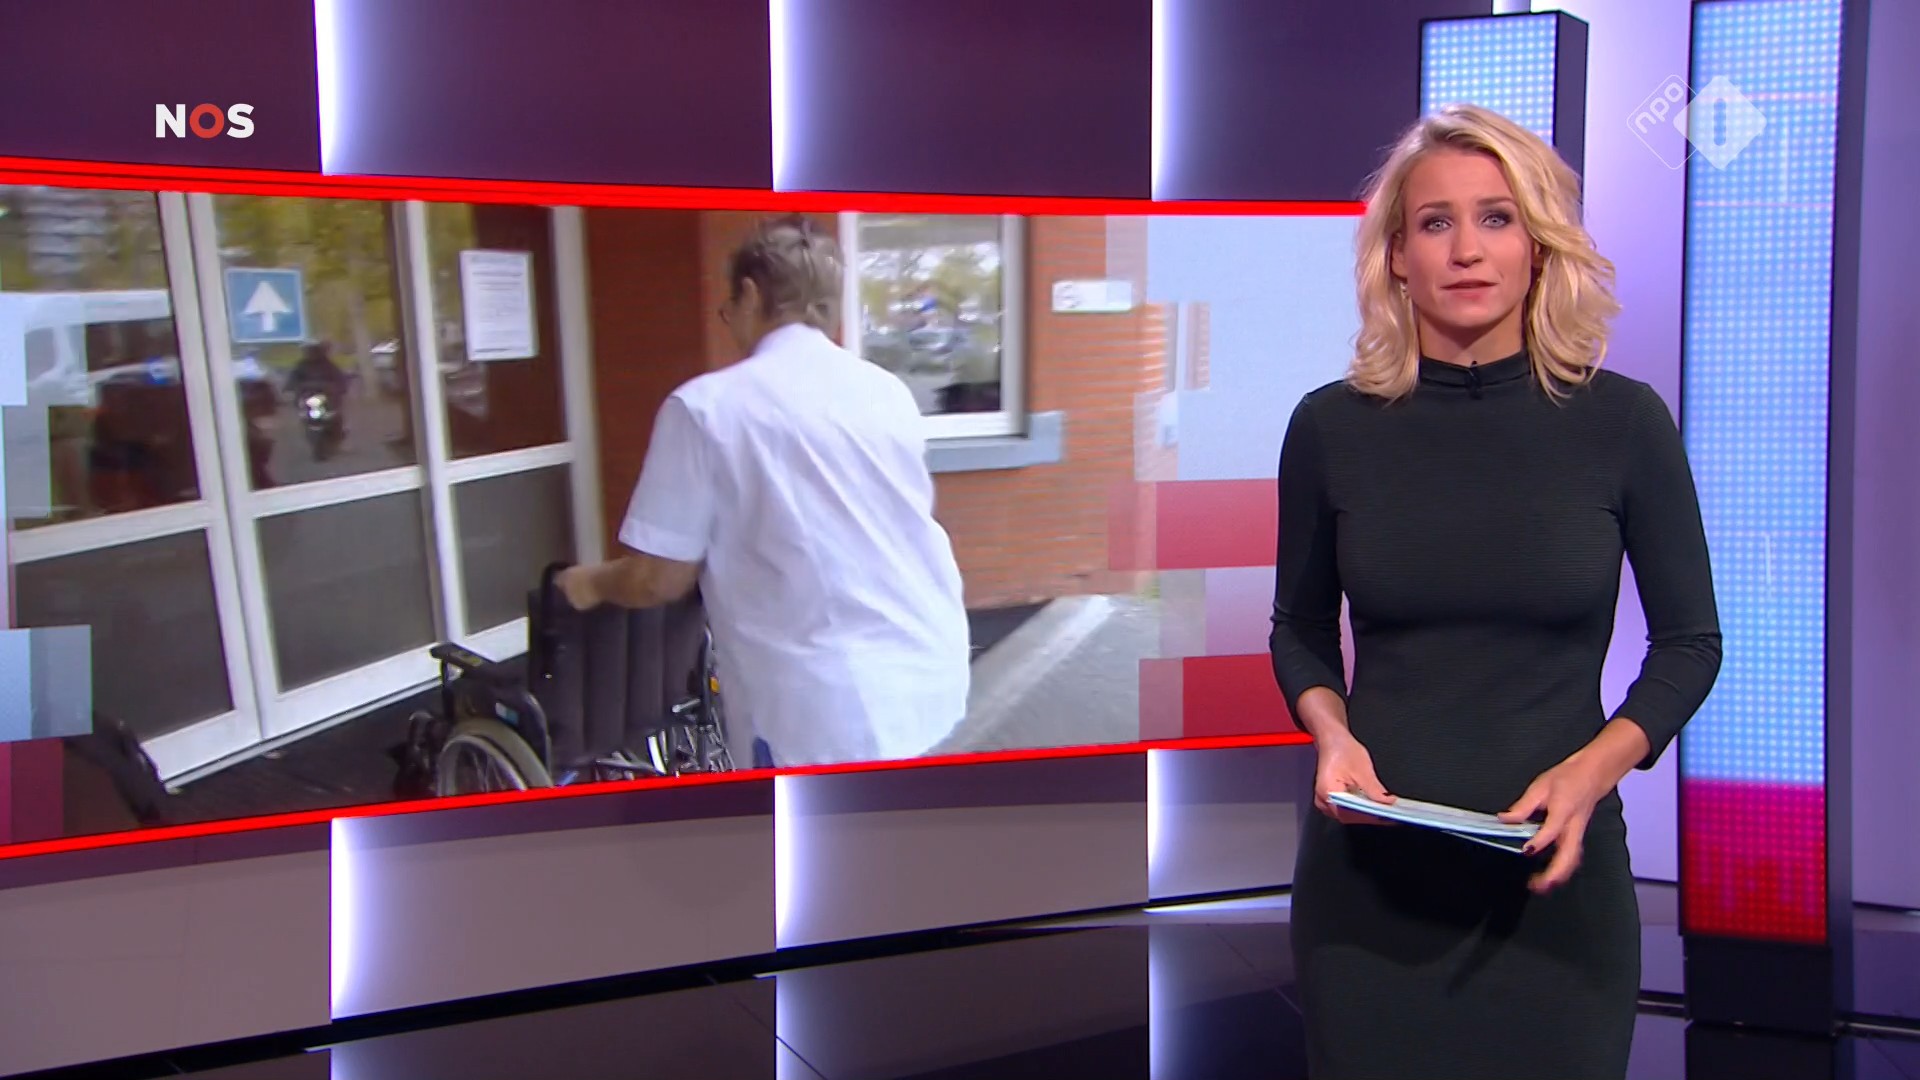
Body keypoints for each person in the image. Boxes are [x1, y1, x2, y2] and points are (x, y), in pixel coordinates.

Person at [1268, 103, 1722, 1079]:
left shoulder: (1623, 423)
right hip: (1368, 893)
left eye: (1497, 218)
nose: (1466, 250)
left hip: (1556, 890)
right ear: (1397, 255)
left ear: (1538, 244)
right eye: (1435, 223)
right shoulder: (1330, 429)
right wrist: (1330, 734)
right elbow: (1298, 628)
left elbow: (1691, 643)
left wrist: (1597, 768)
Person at [557, 215, 972, 768]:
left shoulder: (706, 407)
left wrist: (588, 583)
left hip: (823, 707)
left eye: (728, 309)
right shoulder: (887, 391)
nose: (730, 324)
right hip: (929, 668)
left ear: (750, 296)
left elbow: (659, 578)